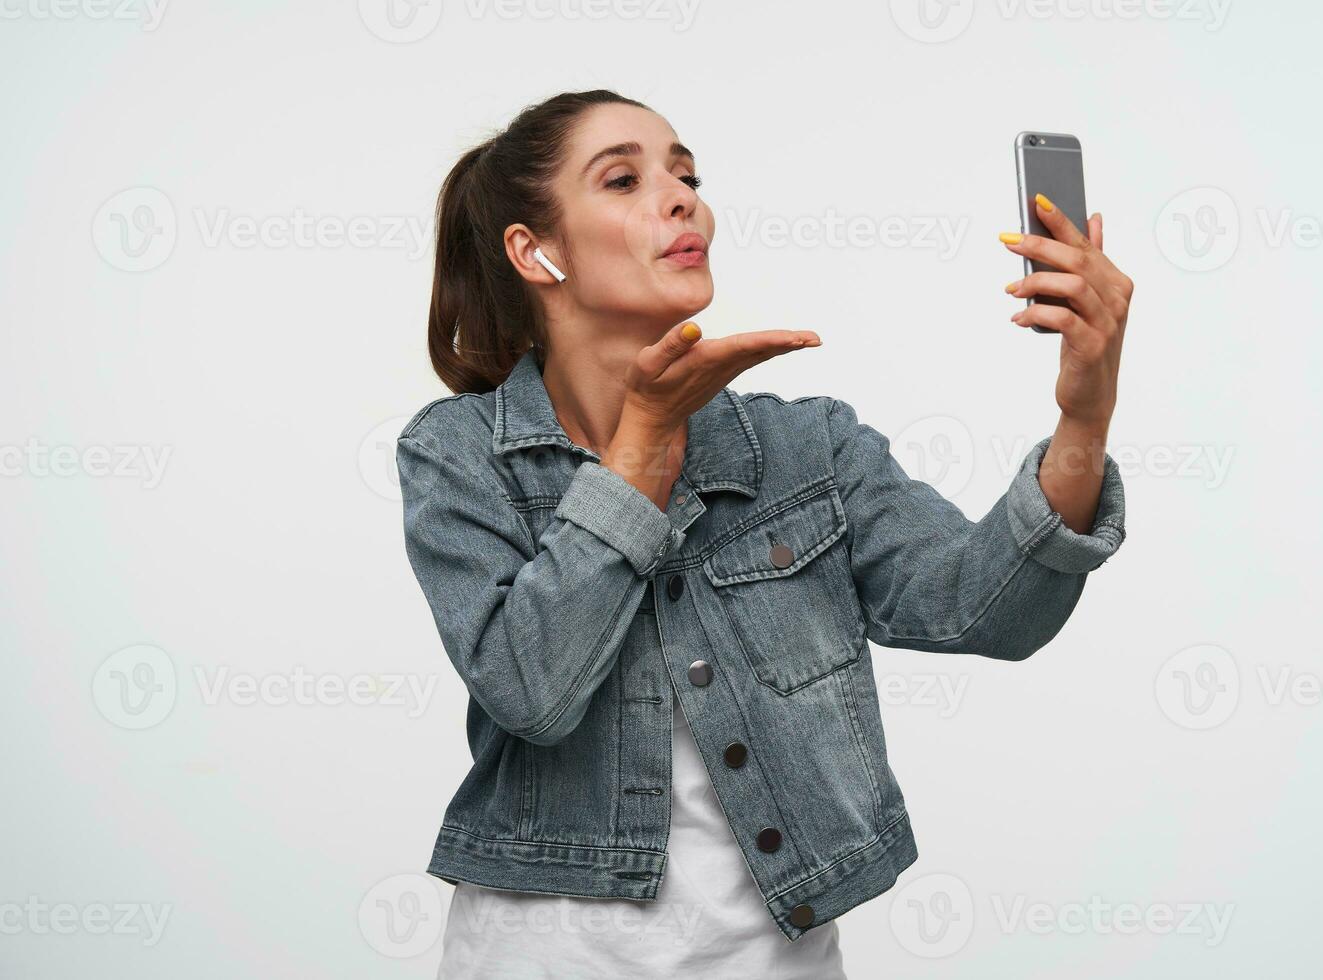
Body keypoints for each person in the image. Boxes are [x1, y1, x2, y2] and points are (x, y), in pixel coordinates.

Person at [395, 89, 1133, 979]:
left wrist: (1084, 411)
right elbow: (528, 690)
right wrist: (636, 458)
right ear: (534, 250)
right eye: (624, 179)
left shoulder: (805, 445)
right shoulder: (458, 453)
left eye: (688, 175)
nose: (682, 199)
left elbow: (989, 612)